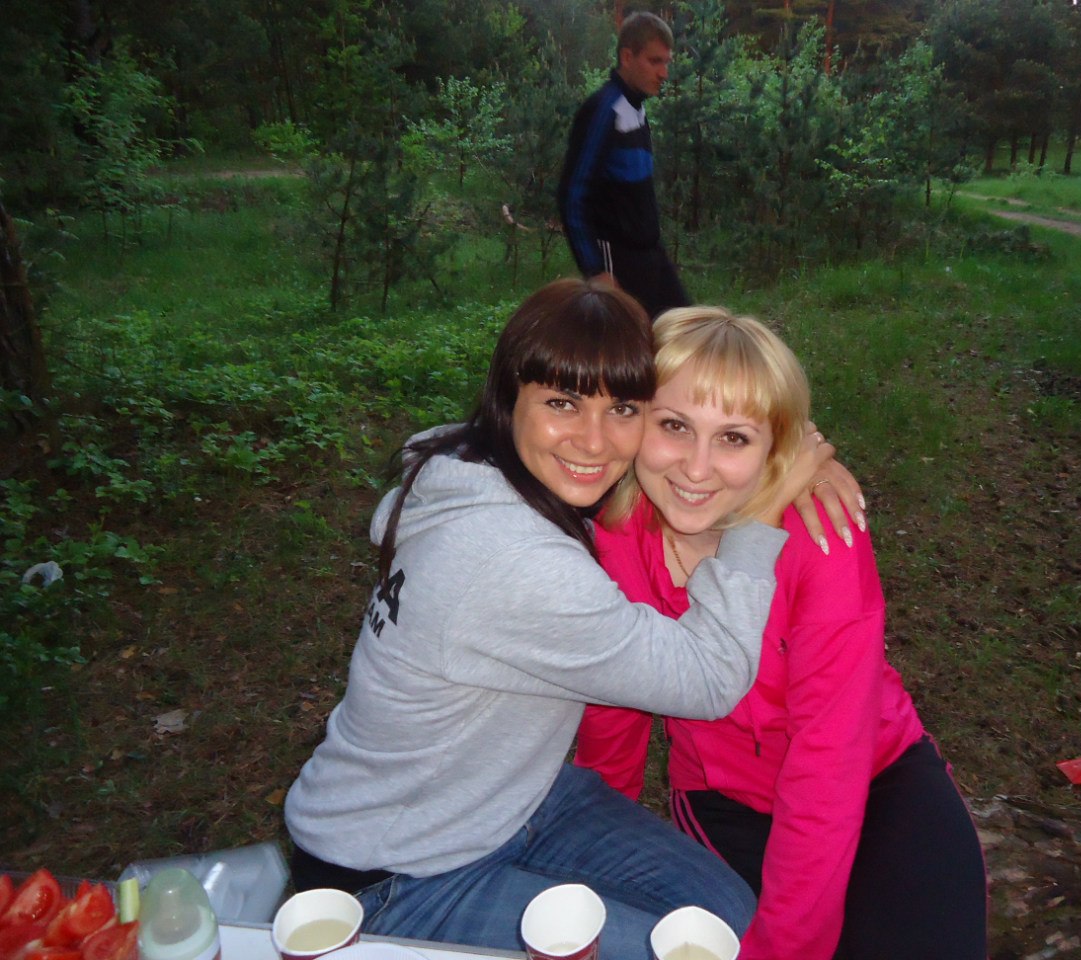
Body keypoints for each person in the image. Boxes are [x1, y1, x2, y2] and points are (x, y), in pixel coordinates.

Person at [283, 279, 841, 960]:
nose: (594, 441)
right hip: (394, 870)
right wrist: (762, 512)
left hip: (511, 797)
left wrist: (776, 460)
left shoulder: (465, 464)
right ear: (508, 395)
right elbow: (709, 678)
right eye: (562, 403)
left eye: (623, 409)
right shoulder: (514, 562)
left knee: (723, 916)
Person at [575, 307, 989, 960]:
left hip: (875, 775)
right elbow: (615, 712)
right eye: (674, 425)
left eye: (734, 438)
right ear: (636, 422)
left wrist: (787, 946)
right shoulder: (621, 538)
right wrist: (592, 842)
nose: (697, 468)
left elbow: (830, 758)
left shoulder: (823, 538)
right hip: (722, 793)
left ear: (778, 449)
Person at [557, 11, 689, 319]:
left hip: (649, 252)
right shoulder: (604, 109)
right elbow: (572, 195)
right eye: (655, 61)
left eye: (667, 62)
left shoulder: (637, 107)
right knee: (635, 341)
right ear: (627, 57)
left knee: (685, 326)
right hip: (616, 258)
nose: (664, 73)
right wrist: (595, 270)